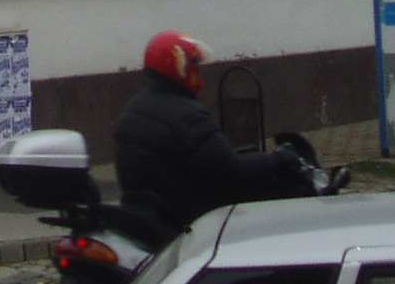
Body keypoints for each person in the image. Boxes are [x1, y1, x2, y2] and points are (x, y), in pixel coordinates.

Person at [113, 30, 325, 233]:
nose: (199, 72)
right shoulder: (188, 116)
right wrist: (278, 160)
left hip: (156, 209)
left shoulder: (136, 108)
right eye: (195, 65)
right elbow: (229, 170)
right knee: (281, 190)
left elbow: (208, 159)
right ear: (181, 67)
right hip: (191, 217)